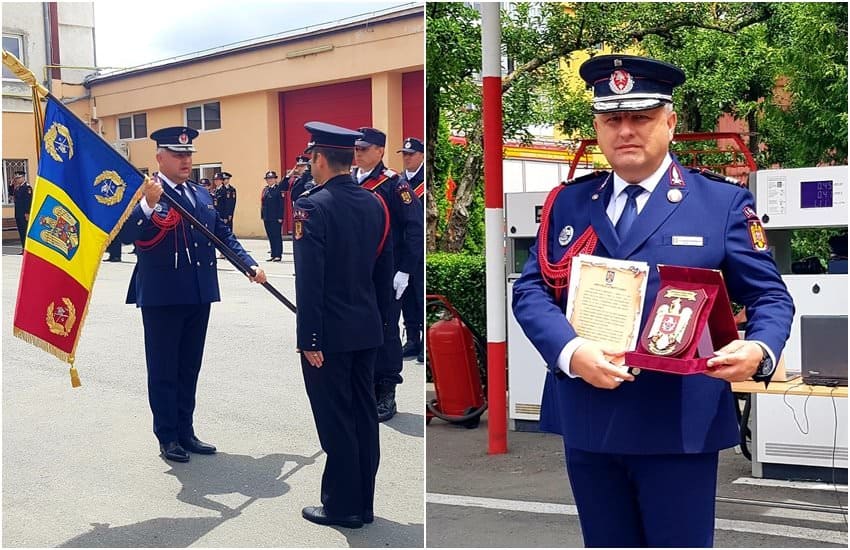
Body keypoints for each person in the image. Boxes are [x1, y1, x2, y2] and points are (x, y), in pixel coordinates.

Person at [511, 55, 794, 548]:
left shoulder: (720, 204)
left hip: (676, 422)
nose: (626, 131)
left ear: (669, 121)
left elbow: (770, 296)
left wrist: (759, 351)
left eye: (640, 117)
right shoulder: (570, 203)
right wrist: (571, 352)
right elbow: (533, 289)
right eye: (612, 119)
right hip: (590, 414)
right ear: (598, 127)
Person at [118, 126, 267, 463]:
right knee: (163, 368)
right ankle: (168, 435)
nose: (185, 160)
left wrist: (249, 264)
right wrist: (147, 206)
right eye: (178, 154)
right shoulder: (145, 193)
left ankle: (186, 430)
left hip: (198, 292)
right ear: (159, 157)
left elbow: (222, 235)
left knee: (189, 366)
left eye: (188, 155)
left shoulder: (200, 195)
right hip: (162, 295)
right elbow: (127, 237)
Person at [293, 121, 393, 529]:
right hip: (366, 328)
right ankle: (362, 501)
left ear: (318, 158)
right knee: (363, 416)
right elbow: (382, 273)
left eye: (310, 158)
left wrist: (309, 337)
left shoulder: (312, 206)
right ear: (351, 157)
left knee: (336, 420)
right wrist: (383, 326)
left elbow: (310, 280)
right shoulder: (374, 203)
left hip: (329, 335)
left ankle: (342, 506)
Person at [354, 127, 424, 421]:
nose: (358, 153)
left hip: (388, 271)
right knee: (360, 328)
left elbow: (413, 227)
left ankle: (386, 389)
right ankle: (365, 385)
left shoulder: (394, 184)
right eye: (356, 148)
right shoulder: (349, 181)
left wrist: (406, 269)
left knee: (385, 328)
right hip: (357, 270)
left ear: (380, 151)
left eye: (365, 148)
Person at [397, 137, 425, 363]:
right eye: (404, 154)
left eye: (411, 154)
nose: (407, 158)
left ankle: (424, 343)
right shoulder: (398, 182)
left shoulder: (426, 180)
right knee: (405, 296)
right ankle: (413, 339)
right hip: (402, 249)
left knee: (420, 295)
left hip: (421, 247)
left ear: (421, 155)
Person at [280, 155, 310, 236]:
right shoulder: (296, 179)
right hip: (296, 210)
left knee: (304, 233)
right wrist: (289, 175)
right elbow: (282, 187)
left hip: (305, 209)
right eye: (298, 166)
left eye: (303, 166)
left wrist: (307, 172)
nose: (300, 168)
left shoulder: (309, 178)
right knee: (298, 233)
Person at [260, 170, 284, 262]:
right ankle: (273, 254)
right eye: (268, 179)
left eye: (271, 178)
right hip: (267, 217)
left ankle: (278, 255)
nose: (269, 180)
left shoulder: (278, 189)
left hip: (275, 217)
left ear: (275, 179)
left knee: (276, 236)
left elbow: (281, 205)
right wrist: (262, 215)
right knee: (270, 236)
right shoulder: (265, 189)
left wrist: (280, 217)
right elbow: (263, 203)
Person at [12, 171, 32, 253]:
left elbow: (28, 201)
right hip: (18, 213)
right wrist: (11, 184)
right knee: (21, 232)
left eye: (18, 178)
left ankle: (28, 249)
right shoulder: (17, 187)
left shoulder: (27, 188)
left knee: (25, 231)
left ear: (23, 177)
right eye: (16, 178)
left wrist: (27, 213)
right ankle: (24, 248)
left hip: (24, 214)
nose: (17, 180)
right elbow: (11, 193)